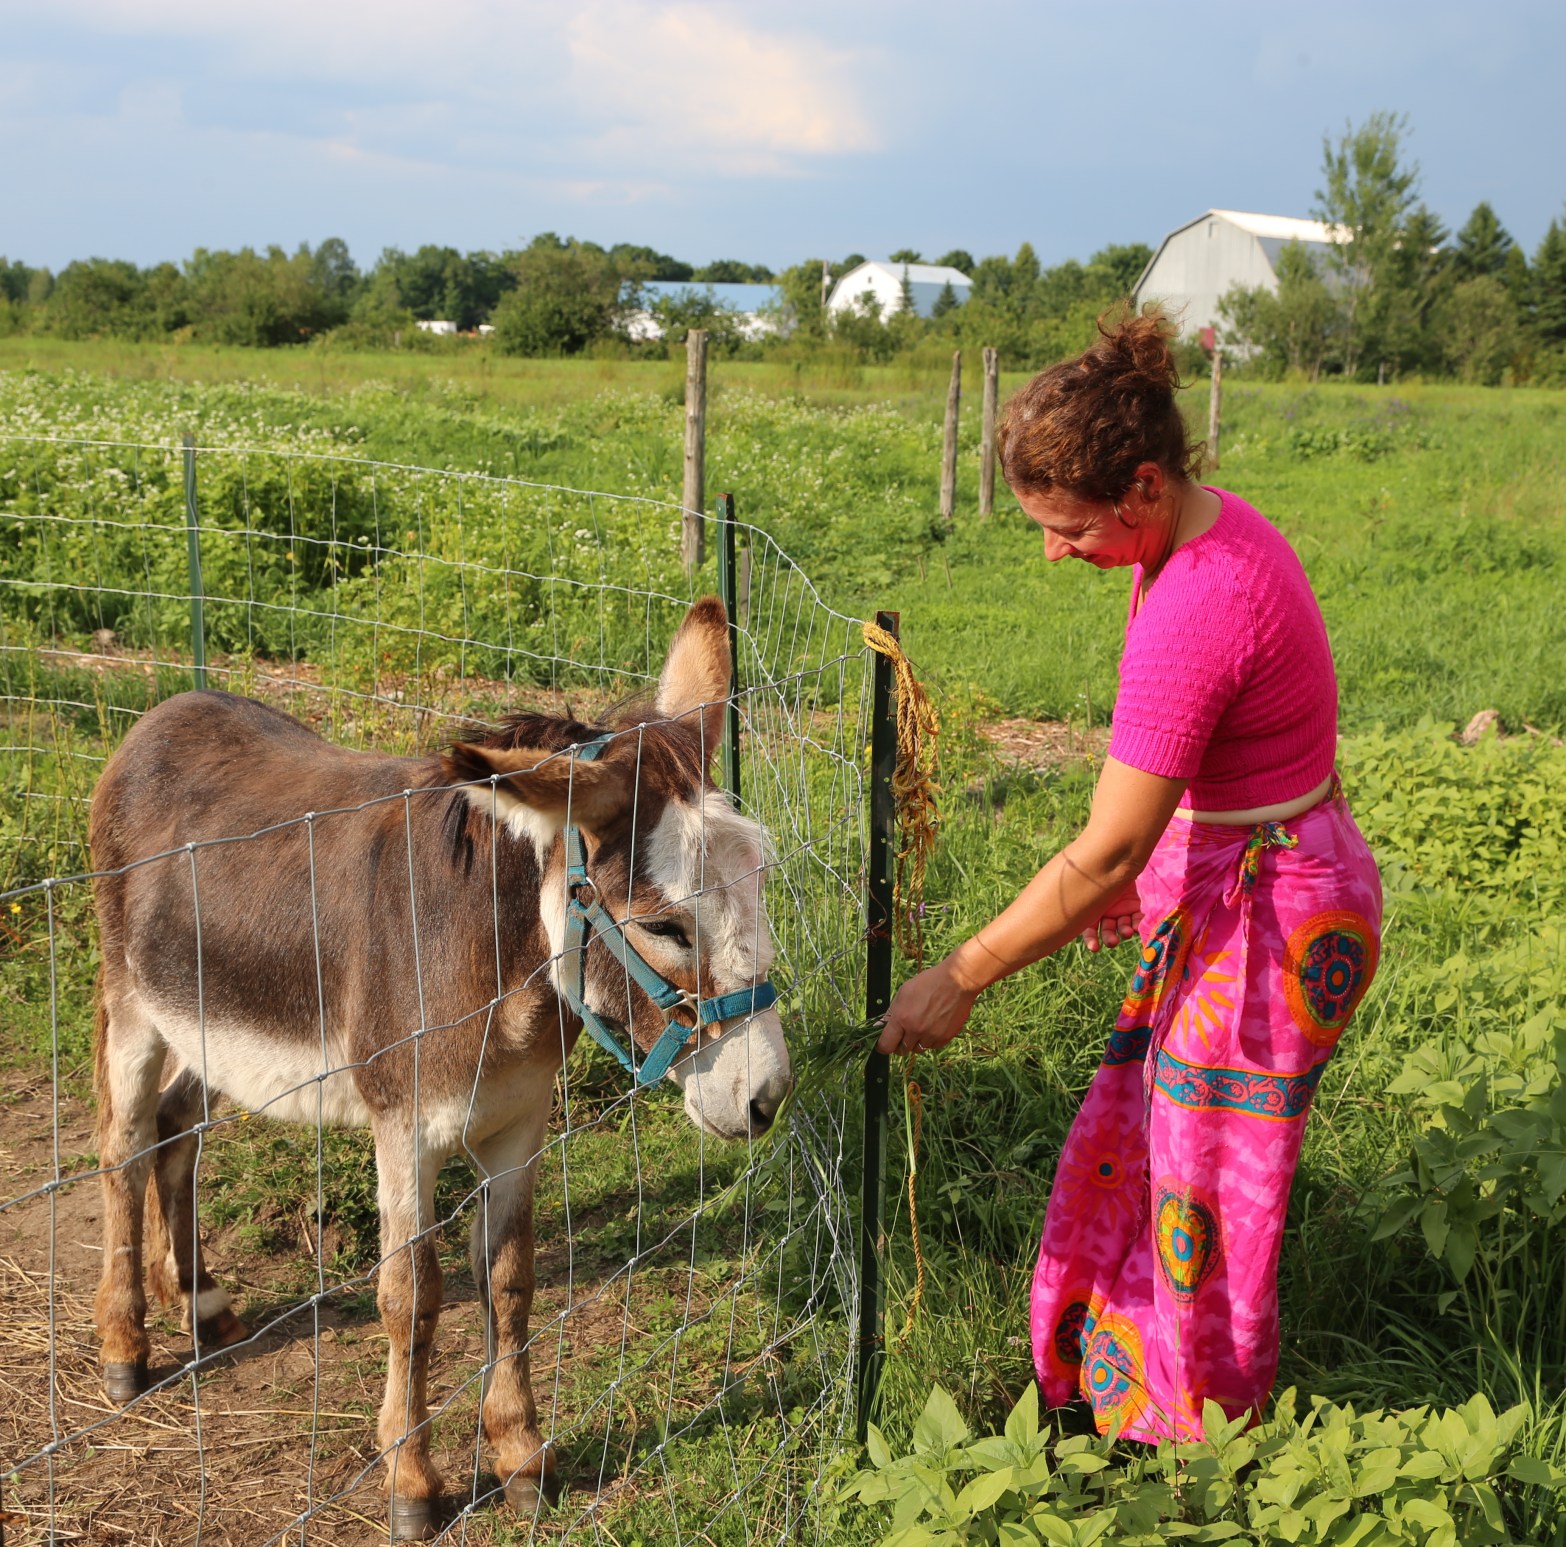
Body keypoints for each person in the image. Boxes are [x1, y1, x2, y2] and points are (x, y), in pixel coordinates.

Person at [875, 309, 1383, 1442]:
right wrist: (1145, 873)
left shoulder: (1198, 601)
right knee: (1154, 1148)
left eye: (1066, 527)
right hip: (1266, 876)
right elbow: (1173, 796)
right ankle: (1129, 1388)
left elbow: (1106, 840)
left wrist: (961, 974)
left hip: (1271, 922)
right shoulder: (1211, 536)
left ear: (1143, 484)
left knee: (1208, 1189)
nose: (1053, 552)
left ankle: (1201, 1444)